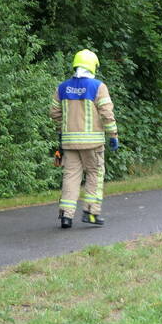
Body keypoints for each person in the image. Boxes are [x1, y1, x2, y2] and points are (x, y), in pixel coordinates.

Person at [50, 49, 119, 229]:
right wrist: (113, 135)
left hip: (69, 143)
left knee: (70, 177)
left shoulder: (62, 87)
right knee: (95, 175)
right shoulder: (98, 86)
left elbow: (54, 113)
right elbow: (106, 113)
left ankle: (66, 215)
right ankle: (91, 213)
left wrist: (61, 130)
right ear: (92, 66)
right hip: (93, 144)